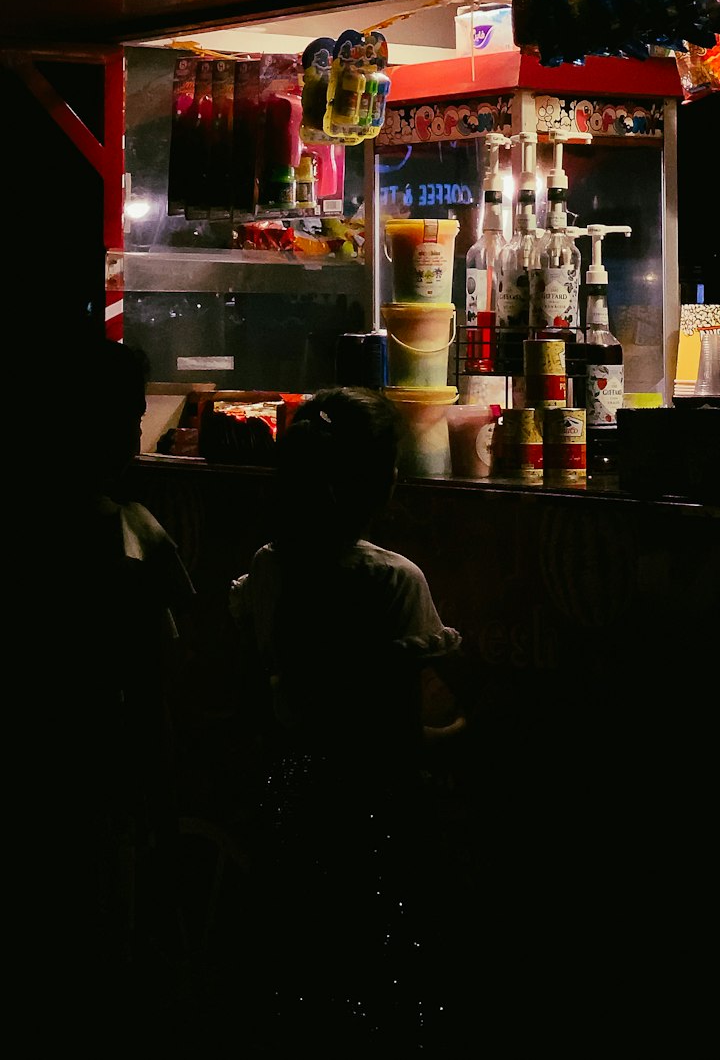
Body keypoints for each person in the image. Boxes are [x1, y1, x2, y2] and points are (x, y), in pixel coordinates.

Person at [228, 385, 465, 1043]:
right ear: (383, 479)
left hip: (290, 800)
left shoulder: (269, 568)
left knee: (300, 982)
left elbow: (261, 698)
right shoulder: (393, 580)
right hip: (372, 814)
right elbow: (397, 734)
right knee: (376, 984)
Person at [14, 326, 196, 1028]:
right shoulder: (132, 537)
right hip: (100, 773)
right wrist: (164, 802)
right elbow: (154, 682)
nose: (134, 429)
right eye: (125, 414)